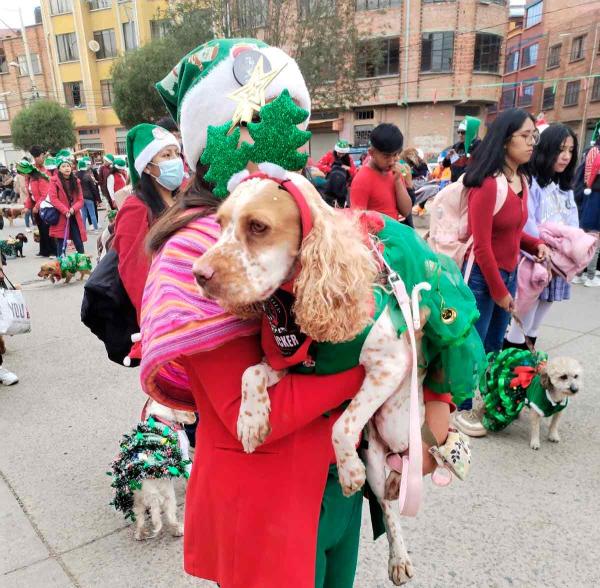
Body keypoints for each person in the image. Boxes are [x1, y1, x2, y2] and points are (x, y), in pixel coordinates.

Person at [140, 38, 462, 588]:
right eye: (248, 124)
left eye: (287, 123)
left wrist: (431, 403)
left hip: (335, 489)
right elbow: (253, 417)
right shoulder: (191, 260)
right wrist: (382, 370)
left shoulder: (309, 220)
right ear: (209, 139)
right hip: (266, 504)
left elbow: (417, 298)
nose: (271, 142)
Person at [454, 108, 548, 438]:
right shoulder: (487, 185)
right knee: (473, 345)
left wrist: (534, 244)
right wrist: (499, 290)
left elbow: (512, 230)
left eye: (533, 136)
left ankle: (487, 400)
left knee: (495, 345)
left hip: (506, 275)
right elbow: (482, 246)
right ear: (506, 139)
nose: (531, 142)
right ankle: (460, 408)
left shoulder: (521, 181)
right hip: (482, 277)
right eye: (525, 135)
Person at [505, 123, 579, 346]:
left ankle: (528, 366)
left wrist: (569, 253)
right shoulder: (532, 182)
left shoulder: (565, 186)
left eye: (570, 151)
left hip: (559, 263)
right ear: (546, 149)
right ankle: (511, 371)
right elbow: (527, 224)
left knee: (537, 322)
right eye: (560, 150)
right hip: (536, 259)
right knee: (522, 319)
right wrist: (543, 252)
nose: (566, 157)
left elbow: (573, 223)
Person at [112, 123, 182, 321]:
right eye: (166, 156)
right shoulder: (136, 208)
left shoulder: (182, 198)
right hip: (164, 312)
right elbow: (134, 272)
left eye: (176, 154)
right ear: (148, 167)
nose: (175, 161)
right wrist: (154, 316)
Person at [349, 123, 412, 221]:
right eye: (386, 156)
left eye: (395, 154)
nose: (391, 161)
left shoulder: (395, 173)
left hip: (394, 233)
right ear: (371, 153)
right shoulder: (362, 180)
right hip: (376, 235)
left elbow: (406, 211)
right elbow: (357, 221)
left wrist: (398, 181)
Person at [48, 157, 87, 256]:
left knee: (78, 241)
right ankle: (61, 265)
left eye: (68, 166)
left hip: (74, 215)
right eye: (63, 166)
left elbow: (80, 199)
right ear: (59, 169)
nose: (67, 168)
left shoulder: (76, 181)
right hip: (61, 215)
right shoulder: (54, 181)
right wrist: (65, 211)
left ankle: (82, 264)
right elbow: (53, 199)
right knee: (61, 242)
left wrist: (73, 209)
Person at [575, 137, 600, 287]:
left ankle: (579, 273)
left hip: (587, 199)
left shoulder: (591, 152)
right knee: (594, 237)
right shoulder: (595, 154)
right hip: (595, 201)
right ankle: (590, 277)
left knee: (585, 237)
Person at [23, 150, 55, 257]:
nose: (43, 159)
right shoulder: (30, 175)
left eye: (42, 156)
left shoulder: (43, 173)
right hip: (36, 206)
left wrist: (37, 206)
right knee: (41, 229)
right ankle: (44, 251)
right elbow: (30, 193)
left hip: (45, 205)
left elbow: (45, 193)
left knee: (47, 229)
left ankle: (53, 251)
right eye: (41, 156)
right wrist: (27, 206)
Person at [451, 117, 481, 182]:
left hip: (468, 183)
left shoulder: (479, 146)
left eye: (463, 132)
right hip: (456, 183)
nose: (460, 135)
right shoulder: (456, 146)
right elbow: (453, 168)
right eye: (458, 132)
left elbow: (471, 168)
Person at [77, 157, 101, 232]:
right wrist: (98, 198)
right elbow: (93, 188)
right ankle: (96, 229)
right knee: (92, 214)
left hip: (80, 198)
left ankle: (83, 230)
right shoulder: (88, 176)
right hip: (89, 197)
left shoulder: (75, 176)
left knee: (83, 214)